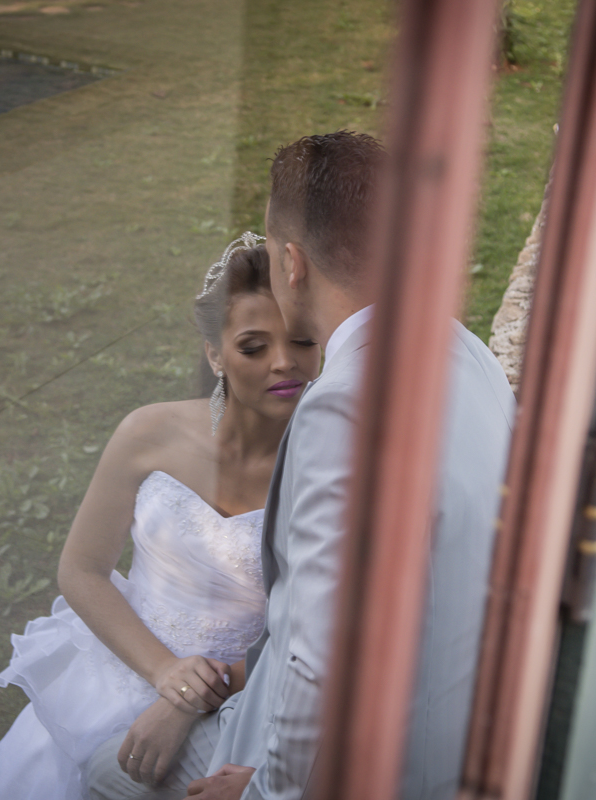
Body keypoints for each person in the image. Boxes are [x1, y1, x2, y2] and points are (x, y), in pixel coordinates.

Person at [86, 130, 514, 800]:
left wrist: (262, 795)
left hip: (382, 765)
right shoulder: (472, 356)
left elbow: (317, 661)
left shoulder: (340, 408)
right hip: (463, 726)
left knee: (104, 776)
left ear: (292, 264)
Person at [0, 236, 322, 800]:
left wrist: (200, 697)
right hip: (120, 665)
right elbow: (81, 569)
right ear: (213, 355)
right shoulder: (148, 433)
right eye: (253, 347)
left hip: (243, 700)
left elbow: (314, 632)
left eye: (301, 340)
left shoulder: (327, 472)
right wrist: (164, 674)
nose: (284, 362)